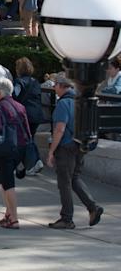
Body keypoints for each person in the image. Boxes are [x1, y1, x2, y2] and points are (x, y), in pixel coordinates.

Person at [47, 74, 104, 230]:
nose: (54, 88)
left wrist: (51, 151)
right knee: (75, 178)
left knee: (64, 182)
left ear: (60, 85)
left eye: (55, 85)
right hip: (81, 145)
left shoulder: (63, 104)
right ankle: (93, 207)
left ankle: (67, 218)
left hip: (65, 147)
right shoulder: (81, 102)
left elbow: (60, 129)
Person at [0, 78, 31, 230]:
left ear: (0, 91)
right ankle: (8, 213)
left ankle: (14, 218)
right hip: (21, 146)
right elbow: (26, 128)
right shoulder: (20, 106)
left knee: (7, 184)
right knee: (4, 180)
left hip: (6, 148)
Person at [13, 57, 46, 175]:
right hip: (36, 114)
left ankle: (34, 162)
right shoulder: (35, 81)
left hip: (24, 114)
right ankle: (32, 162)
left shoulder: (19, 82)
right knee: (29, 138)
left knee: (25, 139)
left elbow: (15, 96)